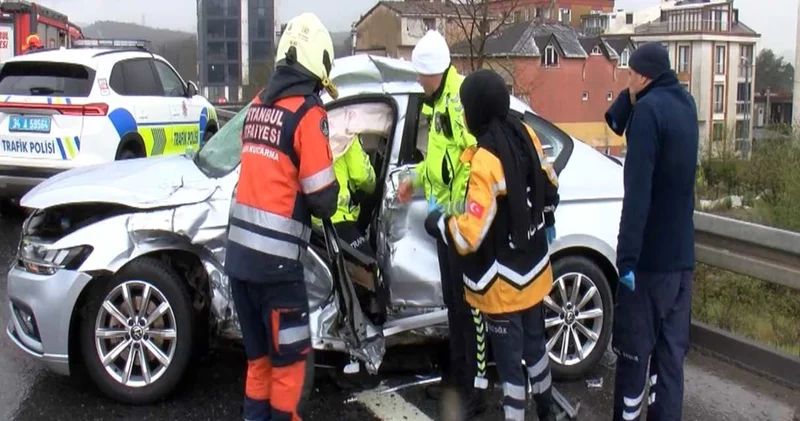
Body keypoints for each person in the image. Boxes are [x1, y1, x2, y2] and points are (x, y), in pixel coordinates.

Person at [423, 69, 560, 421]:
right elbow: (550, 181)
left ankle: (515, 415)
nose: (463, 113)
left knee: (511, 368)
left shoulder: (485, 161)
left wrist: (440, 223)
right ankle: (547, 410)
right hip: (534, 271)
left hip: (503, 287)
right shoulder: (525, 133)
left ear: (476, 110)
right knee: (536, 349)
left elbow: (469, 235)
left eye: (465, 107)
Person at [224, 12, 340, 421]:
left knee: (259, 365)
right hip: (277, 273)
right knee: (289, 368)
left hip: (239, 264)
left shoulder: (257, 105)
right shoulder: (308, 114)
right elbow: (322, 198)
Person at [605, 42, 698, 421]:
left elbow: (638, 194)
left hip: (648, 264)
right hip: (682, 262)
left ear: (644, 76)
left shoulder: (647, 114)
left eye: (630, 74)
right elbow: (614, 121)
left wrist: (626, 259)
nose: (626, 80)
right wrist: (630, 97)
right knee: (670, 359)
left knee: (633, 356)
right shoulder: (685, 104)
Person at [396, 29, 486, 414]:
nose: (418, 80)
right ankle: (458, 379)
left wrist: (459, 211)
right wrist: (414, 181)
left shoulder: (459, 101)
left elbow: (476, 158)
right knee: (454, 305)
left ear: (433, 71)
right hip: (449, 224)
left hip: (462, 223)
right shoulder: (438, 102)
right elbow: (438, 162)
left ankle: (475, 390)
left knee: (469, 308)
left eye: (420, 73)